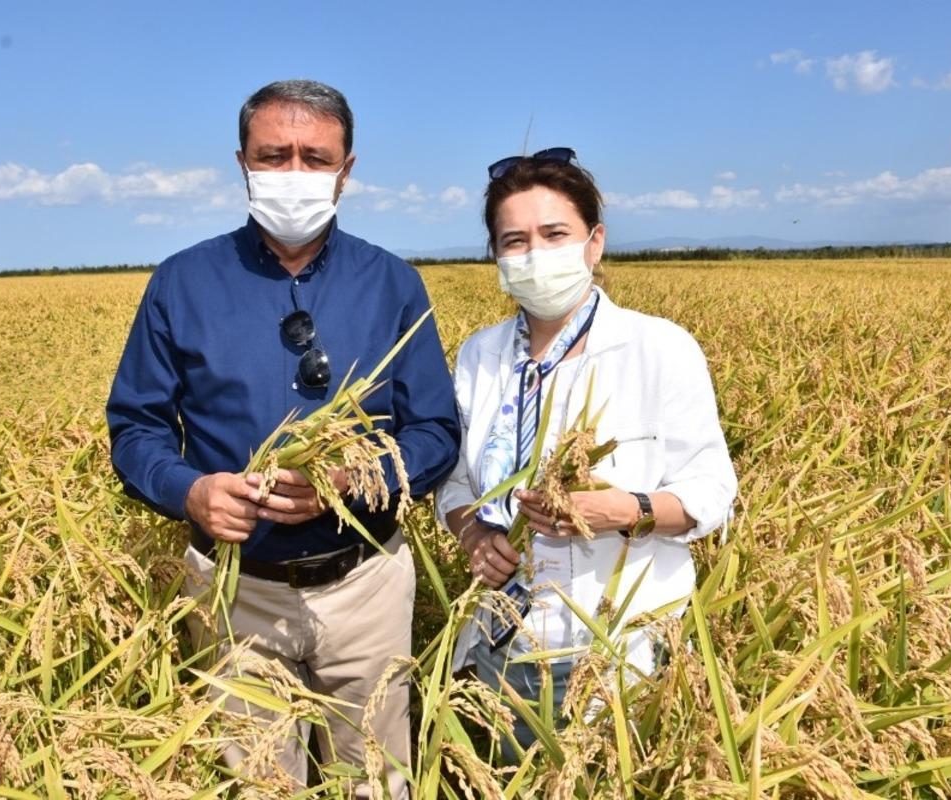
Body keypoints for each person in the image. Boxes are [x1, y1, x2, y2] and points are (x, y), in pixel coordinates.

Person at [106, 79, 460, 797]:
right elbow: (135, 425)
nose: (294, 174)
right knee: (258, 782)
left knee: (376, 781)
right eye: (274, 156)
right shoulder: (181, 283)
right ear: (242, 162)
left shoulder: (392, 283)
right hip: (237, 592)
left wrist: (355, 482)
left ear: (346, 169)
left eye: (314, 157)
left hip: (365, 583)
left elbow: (435, 431)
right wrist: (191, 491)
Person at [435, 148, 737, 752]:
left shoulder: (658, 347)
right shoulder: (481, 354)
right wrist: (474, 537)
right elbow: (457, 482)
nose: (535, 254)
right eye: (514, 240)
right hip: (507, 638)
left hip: (624, 645)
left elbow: (712, 493)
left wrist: (624, 511)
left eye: (555, 234)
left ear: (594, 243)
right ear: (495, 255)